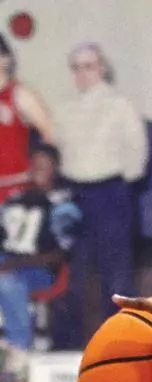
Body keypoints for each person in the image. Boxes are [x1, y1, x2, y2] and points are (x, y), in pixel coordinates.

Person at [55, 42, 148, 347]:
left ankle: (123, 344)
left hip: (111, 195)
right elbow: (58, 147)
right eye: (76, 67)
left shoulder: (120, 105)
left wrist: (118, 187)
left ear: (102, 68)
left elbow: (138, 152)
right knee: (74, 275)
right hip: (75, 196)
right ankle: (70, 348)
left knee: (117, 277)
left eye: (89, 66)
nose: (82, 73)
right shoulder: (66, 108)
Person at [0, 145, 81, 356]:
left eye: (44, 165)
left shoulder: (64, 205)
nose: (38, 170)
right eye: (35, 165)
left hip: (38, 269)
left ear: (56, 168)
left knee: (6, 281)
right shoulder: (15, 199)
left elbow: (60, 254)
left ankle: (19, 348)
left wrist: (16, 263)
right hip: (6, 259)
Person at [0, 32, 54, 203]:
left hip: (16, 192)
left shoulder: (20, 94)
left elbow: (52, 135)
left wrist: (41, 173)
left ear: (5, 59)